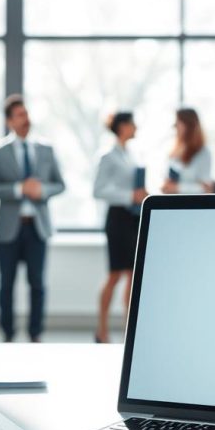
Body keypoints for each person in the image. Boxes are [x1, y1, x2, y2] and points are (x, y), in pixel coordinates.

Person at [0, 95, 66, 343]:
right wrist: (19, 189)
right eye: (20, 115)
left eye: (27, 114)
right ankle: (7, 335)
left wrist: (42, 191)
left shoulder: (45, 149)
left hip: (37, 228)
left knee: (38, 284)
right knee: (6, 285)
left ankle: (35, 334)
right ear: (10, 121)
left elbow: (60, 184)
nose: (25, 120)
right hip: (10, 228)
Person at [93, 112, 147, 344]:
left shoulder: (130, 154)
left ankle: (129, 331)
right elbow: (99, 190)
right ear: (123, 126)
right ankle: (102, 330)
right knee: (115, 275)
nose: (136, 127)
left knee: (132, 275)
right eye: (133, 124)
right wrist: (129, 195)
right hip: (117, 219)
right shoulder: (108, 156)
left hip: (133, 219)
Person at [161, 108, 212, 195]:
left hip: (191, 204)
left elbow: (206, 188)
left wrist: (177, 188)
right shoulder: (174, 151)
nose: (174, 126)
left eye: (177, 123)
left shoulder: (203, 152)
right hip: (172, 202)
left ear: (189, 124)